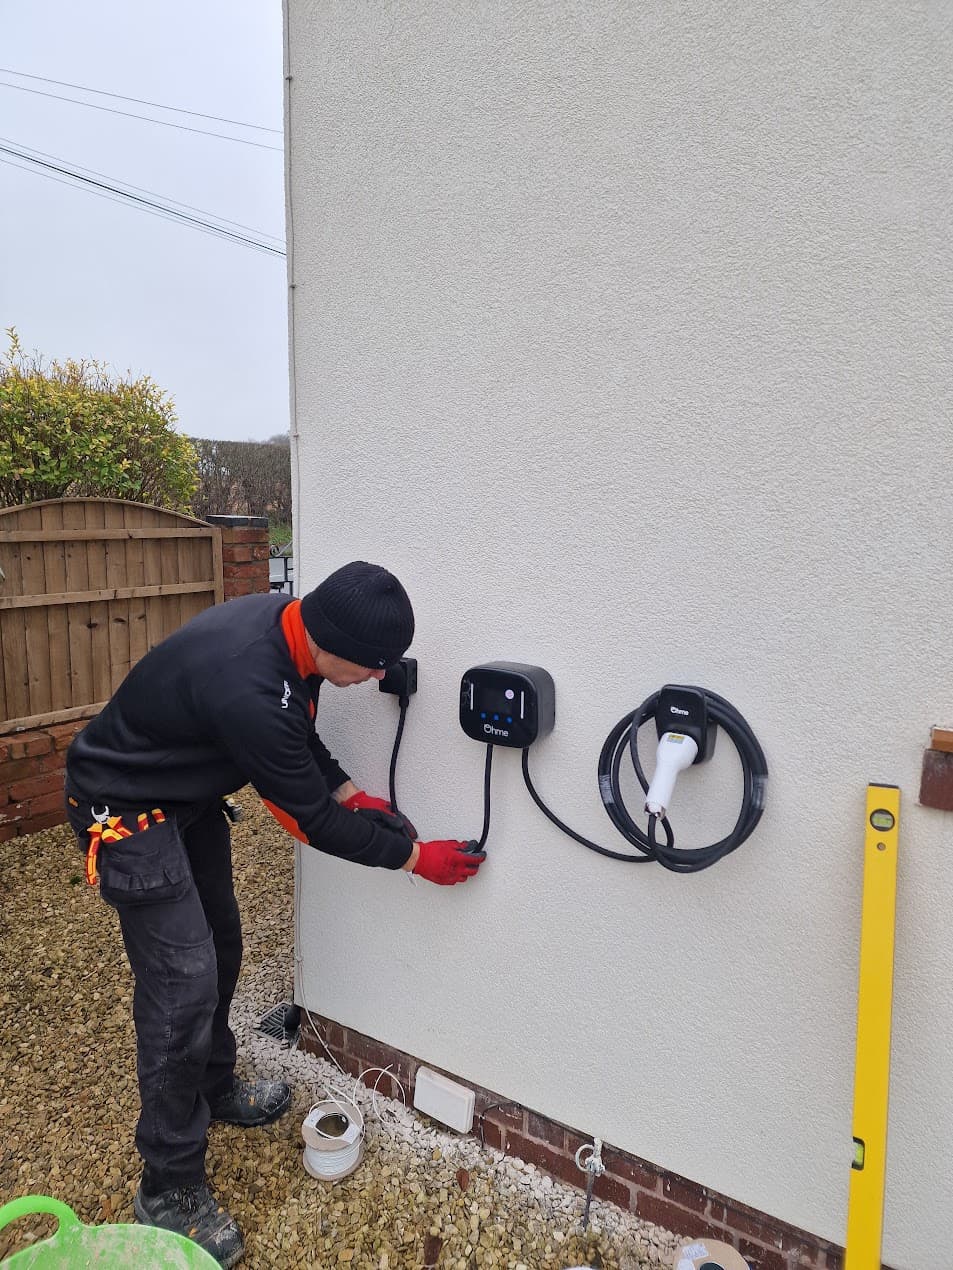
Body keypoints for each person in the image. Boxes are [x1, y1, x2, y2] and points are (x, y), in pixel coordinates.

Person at [63, 560, 484, 1267]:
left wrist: (355, 794)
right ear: (328, 642)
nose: (378, 679)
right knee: (181, 986)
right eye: (373, 667)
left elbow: (302, 742)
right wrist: (416, 860)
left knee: (221, 943)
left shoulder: (294, 631)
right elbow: (311, 821)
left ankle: (214, 1084)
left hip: (183, 796)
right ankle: (167, 1185)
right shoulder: (248, 685)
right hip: (125, 807)